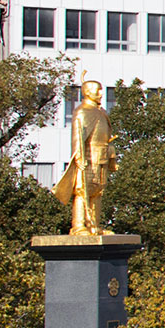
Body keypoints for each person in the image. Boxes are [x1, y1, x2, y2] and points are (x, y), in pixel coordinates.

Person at [53, 80, 118, 236]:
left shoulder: (101, 112)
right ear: (87, 92)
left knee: (97, 192)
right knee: (83, 192)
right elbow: (78, 136)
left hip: (101, 155)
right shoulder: (82, 111)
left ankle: (94, 225)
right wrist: (79, 156)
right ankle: (79, 225)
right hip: (87, 156)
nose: (101, 94)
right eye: (98, 90)